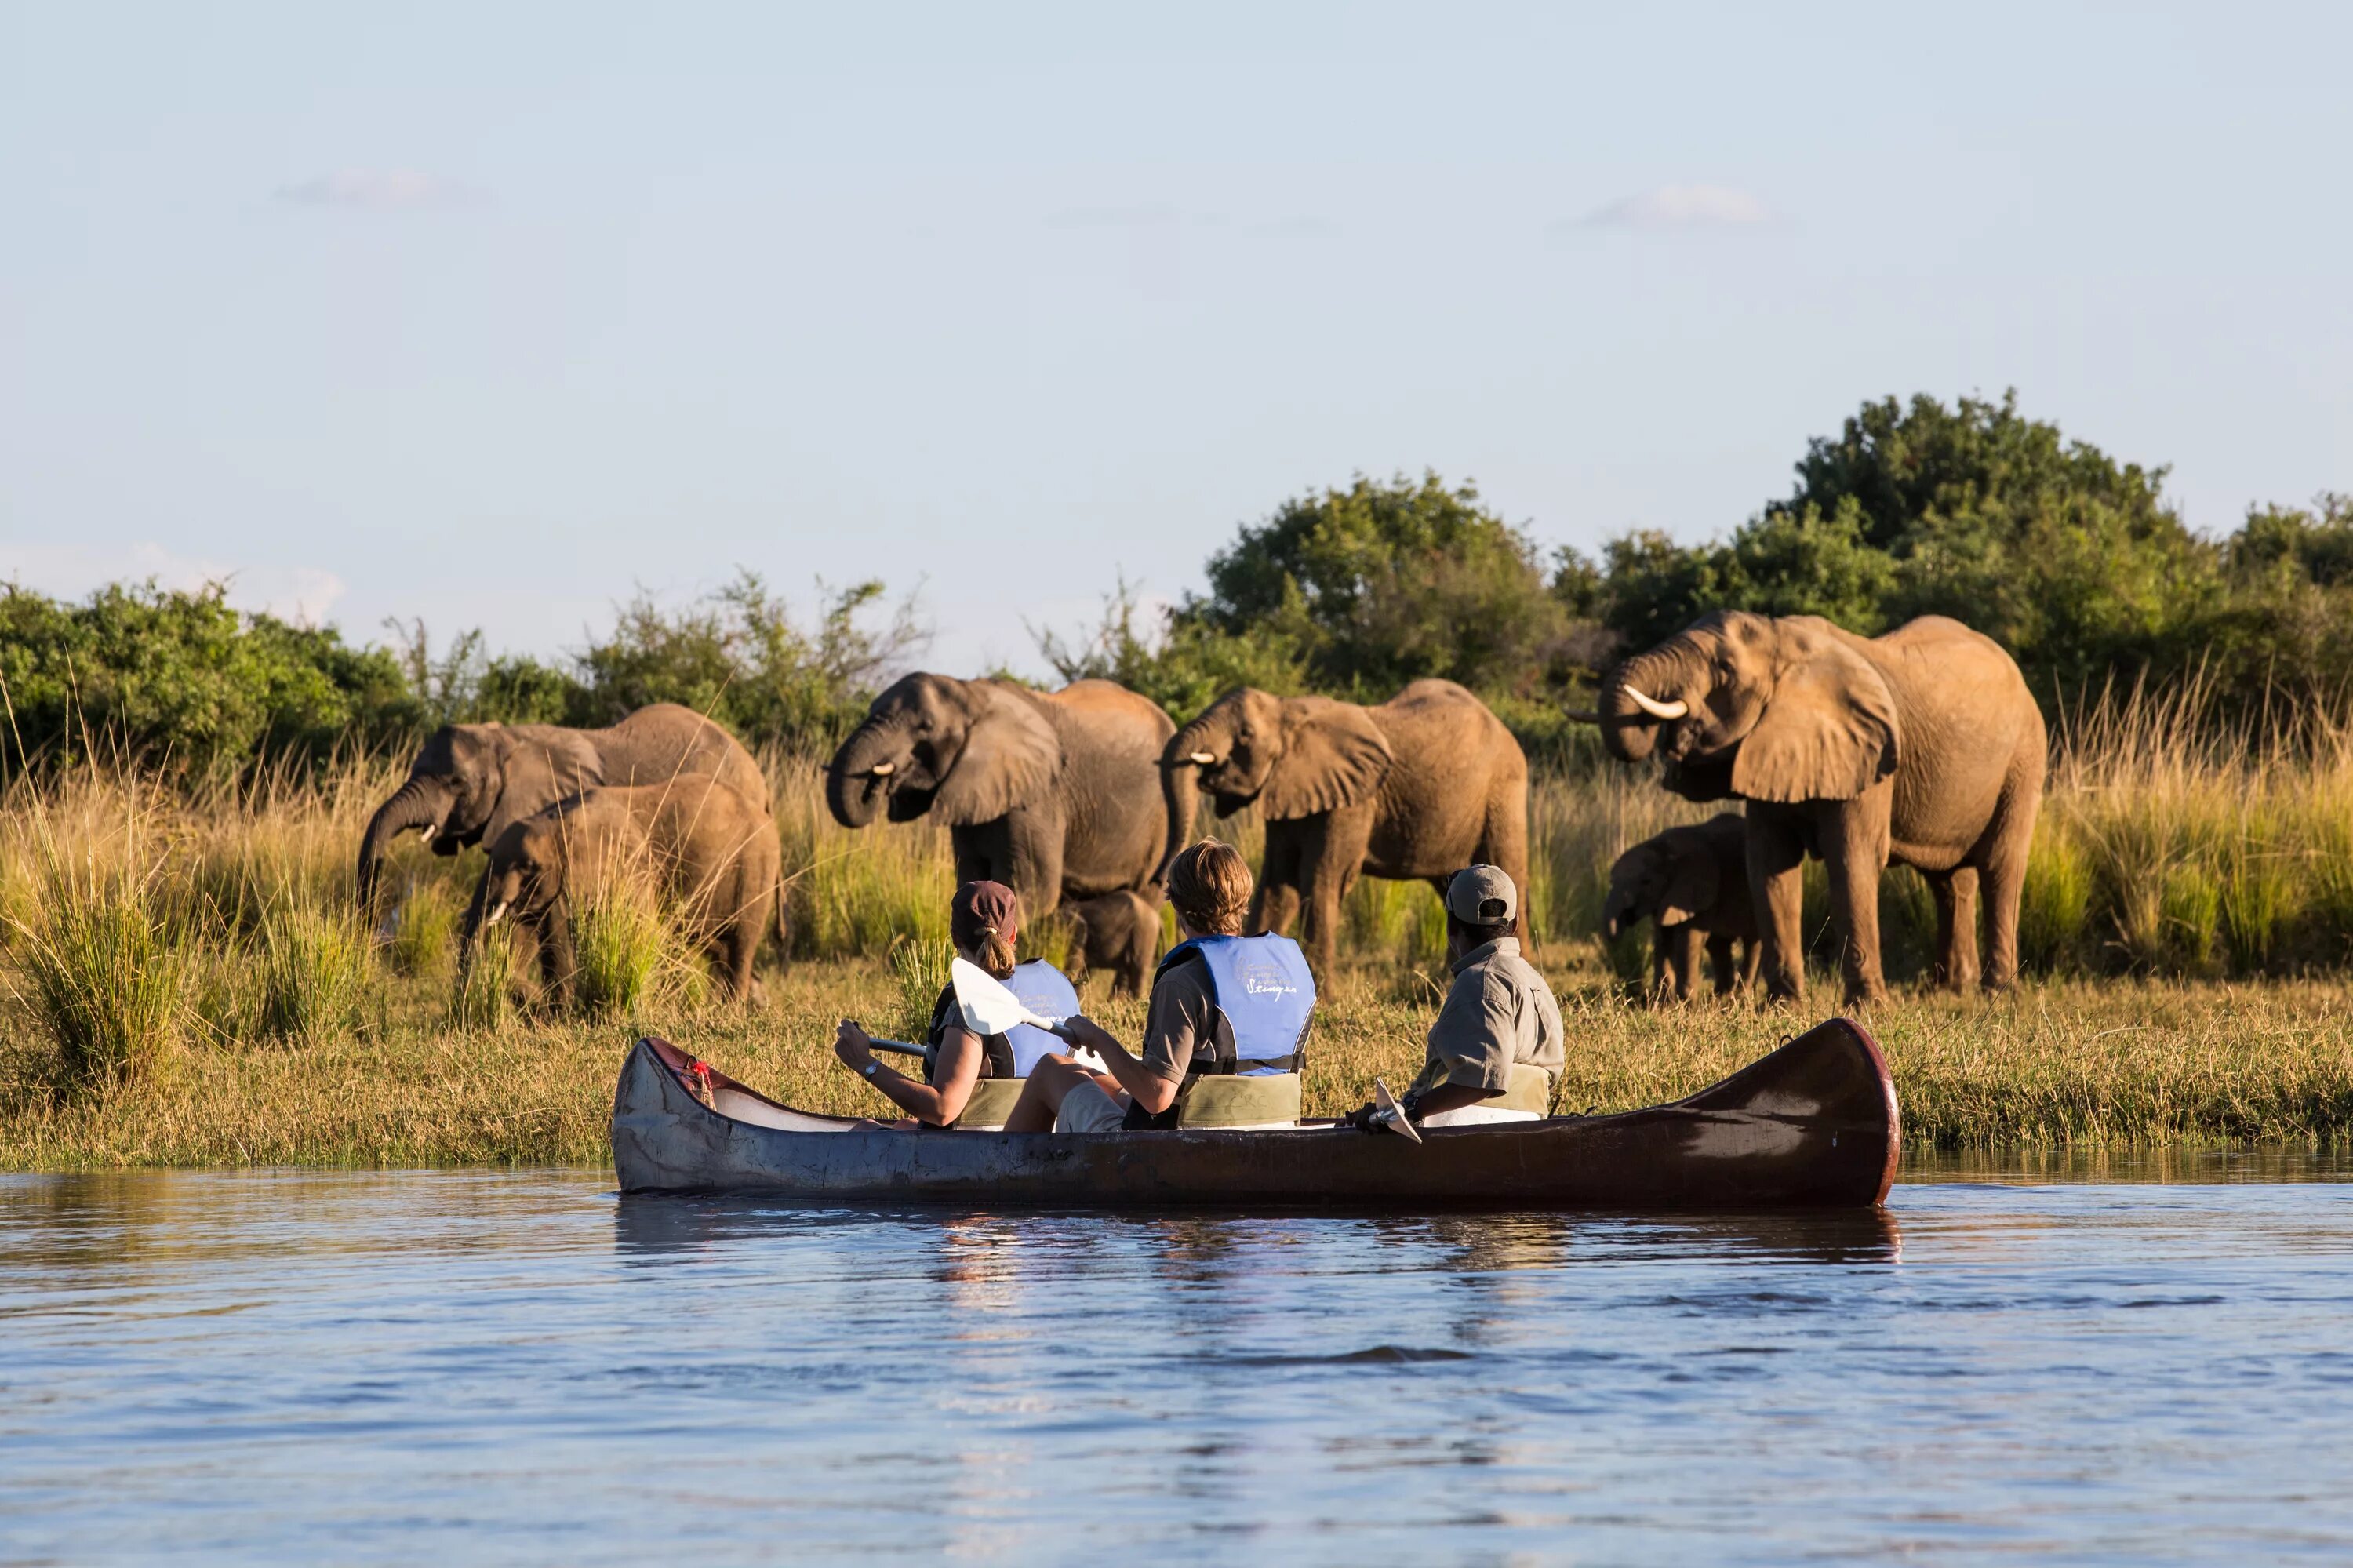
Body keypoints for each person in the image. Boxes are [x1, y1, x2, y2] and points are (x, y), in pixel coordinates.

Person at [1004, 839, 1314, 1133]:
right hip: (1275, 1127)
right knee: (1098, 1078)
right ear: (1244, 899)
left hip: (1178, 1148)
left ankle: (1002, 1181)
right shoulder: (1290, 971)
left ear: (1177, 905)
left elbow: (1157, 1096)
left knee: (1052, 1069)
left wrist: (1098, 1038)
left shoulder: (1183, 981)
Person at [831, 880, 1079, 1128]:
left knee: (865, 1129)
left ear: (955, 937)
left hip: (978, 1152)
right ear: (1013, 934)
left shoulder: (971, 1003)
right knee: (904, 1126)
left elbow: (943, 1109)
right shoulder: (1060, 987)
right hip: (1044, 1143)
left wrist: (865, 1064)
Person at [1346, 864, 1563, 1132]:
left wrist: (1408, 1111)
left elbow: (1482, 1080)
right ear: (1516, 924)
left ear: (1451, 926)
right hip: (1529, 1129)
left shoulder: (1480, 981)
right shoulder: (1537, 982)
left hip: (1460, 1135)